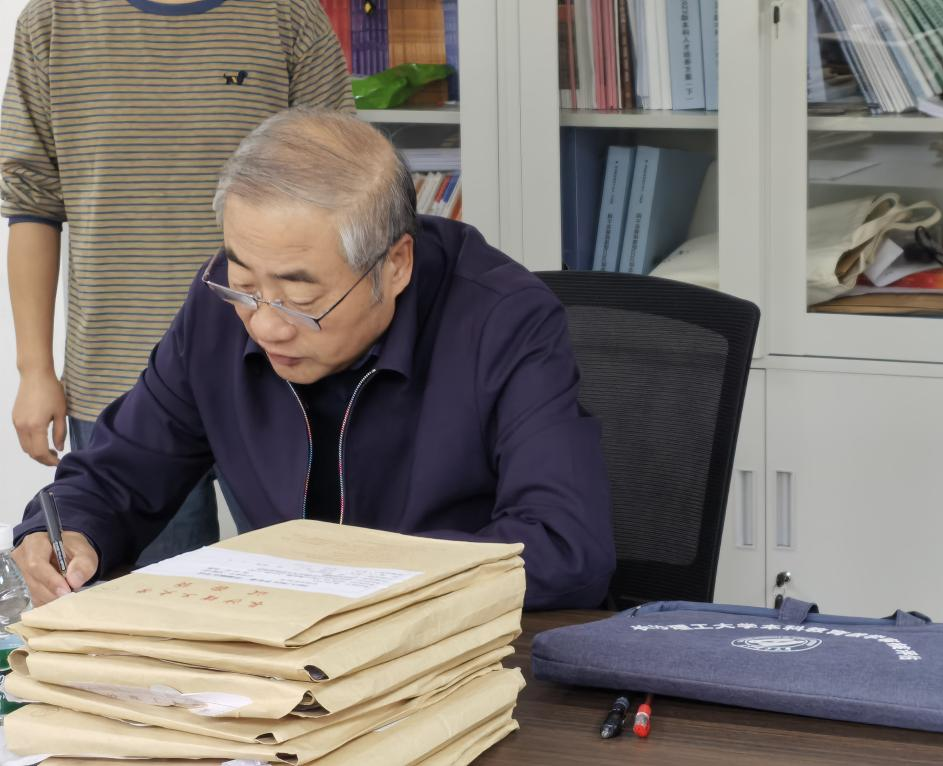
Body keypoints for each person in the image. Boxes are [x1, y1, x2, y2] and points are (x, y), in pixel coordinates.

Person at [12, 109, 616, 610]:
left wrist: (348, 575)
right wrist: (60, 534)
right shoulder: (217, 309)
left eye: (300, 300)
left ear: (395, 264)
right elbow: (119, 473)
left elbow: (565, 549)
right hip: (284, 661)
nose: (265, 324)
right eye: (244, 284)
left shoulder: (503, 319)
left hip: (452, 656)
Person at [1, 0, 354, 565]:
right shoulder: (53, 21)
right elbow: (32, 206)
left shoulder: (288, 16)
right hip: (118, 380)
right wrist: (34, 370)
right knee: (147, 603)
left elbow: (346, 189)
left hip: (276, 368)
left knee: (317, 579)